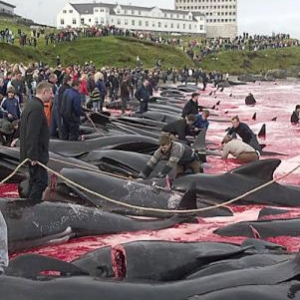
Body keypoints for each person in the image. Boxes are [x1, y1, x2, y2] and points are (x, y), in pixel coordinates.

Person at [20, 81, 53, 201]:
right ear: (44, 92)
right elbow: (32, 134)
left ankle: (27, 205)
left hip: (33, 154)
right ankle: (31, 207)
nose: (52, 95)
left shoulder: (31, 105)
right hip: (37, 156)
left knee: (34, 181)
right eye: (50, 92)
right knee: (40, 182)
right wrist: (33, 156)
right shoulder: (37, 108)